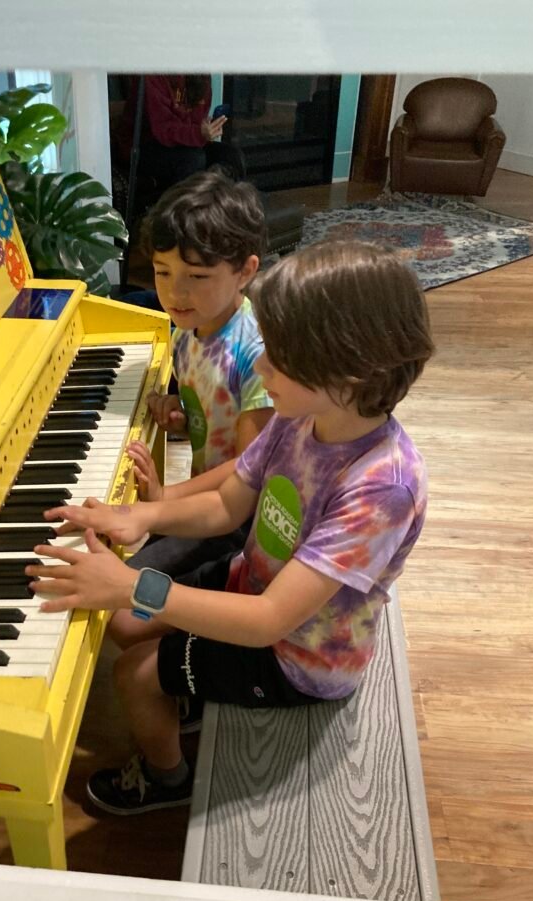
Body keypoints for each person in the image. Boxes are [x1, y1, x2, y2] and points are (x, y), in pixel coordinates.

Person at [27, 241, 435, 815]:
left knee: (134, 673)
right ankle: (189, 687)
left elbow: (269, 621)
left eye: (279, 359)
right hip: (253, 583)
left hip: (299, 656)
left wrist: (131, 583)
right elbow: (226, 504)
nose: (261, 368)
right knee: (124, 621)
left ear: (347, 373)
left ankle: (166, 779)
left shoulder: (382, 487)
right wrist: (142, 514)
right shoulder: (300, 417)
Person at [120, 168, 274, 592]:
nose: (175, 293)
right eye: (162, 272)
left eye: (197, 276)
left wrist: (167, 499)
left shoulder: (256, 354)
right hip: (204, 498)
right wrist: (181, 415)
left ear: (245, 271)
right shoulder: (188, 330)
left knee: (125, 592)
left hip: (239, 521)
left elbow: (250, 467)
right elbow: (210, 415)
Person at [116, 75, 228, 198]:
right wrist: (197, 133)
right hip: (143, 144)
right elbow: (163, 128)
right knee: (192, 159)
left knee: (229, 155)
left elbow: (196, 121)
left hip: (181, 142)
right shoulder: (152, 75)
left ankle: (225, 208)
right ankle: (182, 209)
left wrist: (208, 129)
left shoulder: (201, 75)